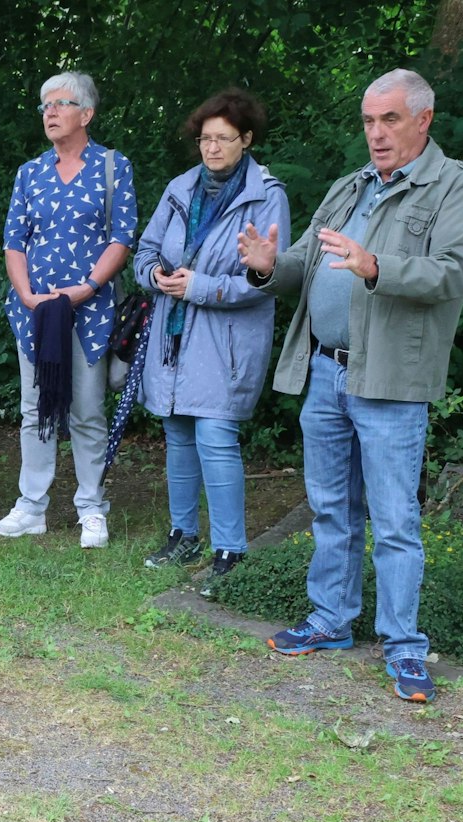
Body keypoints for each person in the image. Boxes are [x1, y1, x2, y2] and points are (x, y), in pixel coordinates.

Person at [239, 68, 463, 704]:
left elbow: (452, 273)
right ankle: (330, 620)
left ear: (423, 120)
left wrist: (375, 265)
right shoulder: (351, 186)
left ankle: (404, 646)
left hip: (389, 377)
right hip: (326, 368)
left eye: (390, 120)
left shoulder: (455, 187)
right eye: (369, 121)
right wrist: (270, 267)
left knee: (395, 518)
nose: (375, 134)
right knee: (330, 507)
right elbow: (302, 258)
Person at [131, 90, 290, 596]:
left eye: (224, 138)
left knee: (215, 438)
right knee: (177, 433)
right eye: (205, 138)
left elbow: (269, 278)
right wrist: (156, 274)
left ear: (246, 140)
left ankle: (230, 548)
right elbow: (146, 250)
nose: (212, 148)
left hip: (225, 341)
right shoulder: (181, 187)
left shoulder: (268, 195)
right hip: (173, 335)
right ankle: (184, 536)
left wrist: (199, 286)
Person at [0, 70, 136, 549]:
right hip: (34, 310)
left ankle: (91, 506)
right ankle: (31, 506)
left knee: (88, 411)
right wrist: (29, 296)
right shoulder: (29, 172)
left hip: (89, 310)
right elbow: (14, 241)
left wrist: (90, 286)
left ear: (86, 114)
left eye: (60, 103)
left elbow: (121, 237)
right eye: (44, 105)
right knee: (36, 409)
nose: (49, 112)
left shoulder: (113, 167)